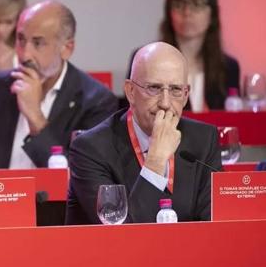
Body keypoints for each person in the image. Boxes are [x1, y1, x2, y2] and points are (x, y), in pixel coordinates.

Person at [0, 0, 117, 169]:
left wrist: (35, 118)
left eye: (38, 43)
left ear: (67, 48)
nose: (25, 55)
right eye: (21, 39)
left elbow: (84, 176)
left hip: (55, 201)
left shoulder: (97, 101)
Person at [66, 42, 221, 225]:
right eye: (154, 88)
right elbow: (121, 236)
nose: (165, 103)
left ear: (186, 95)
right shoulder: (90, 149)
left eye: (175, 90)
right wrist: (155, 161)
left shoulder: (204, 140)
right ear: (130, 92)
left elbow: (213, 225)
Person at [126, 0, 239, 111]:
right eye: (179, 5)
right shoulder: (145, 59)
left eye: (196, 5)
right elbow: (132, 111)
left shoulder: (228, 67)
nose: (187, 13)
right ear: (169, 14)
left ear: (212, 15)